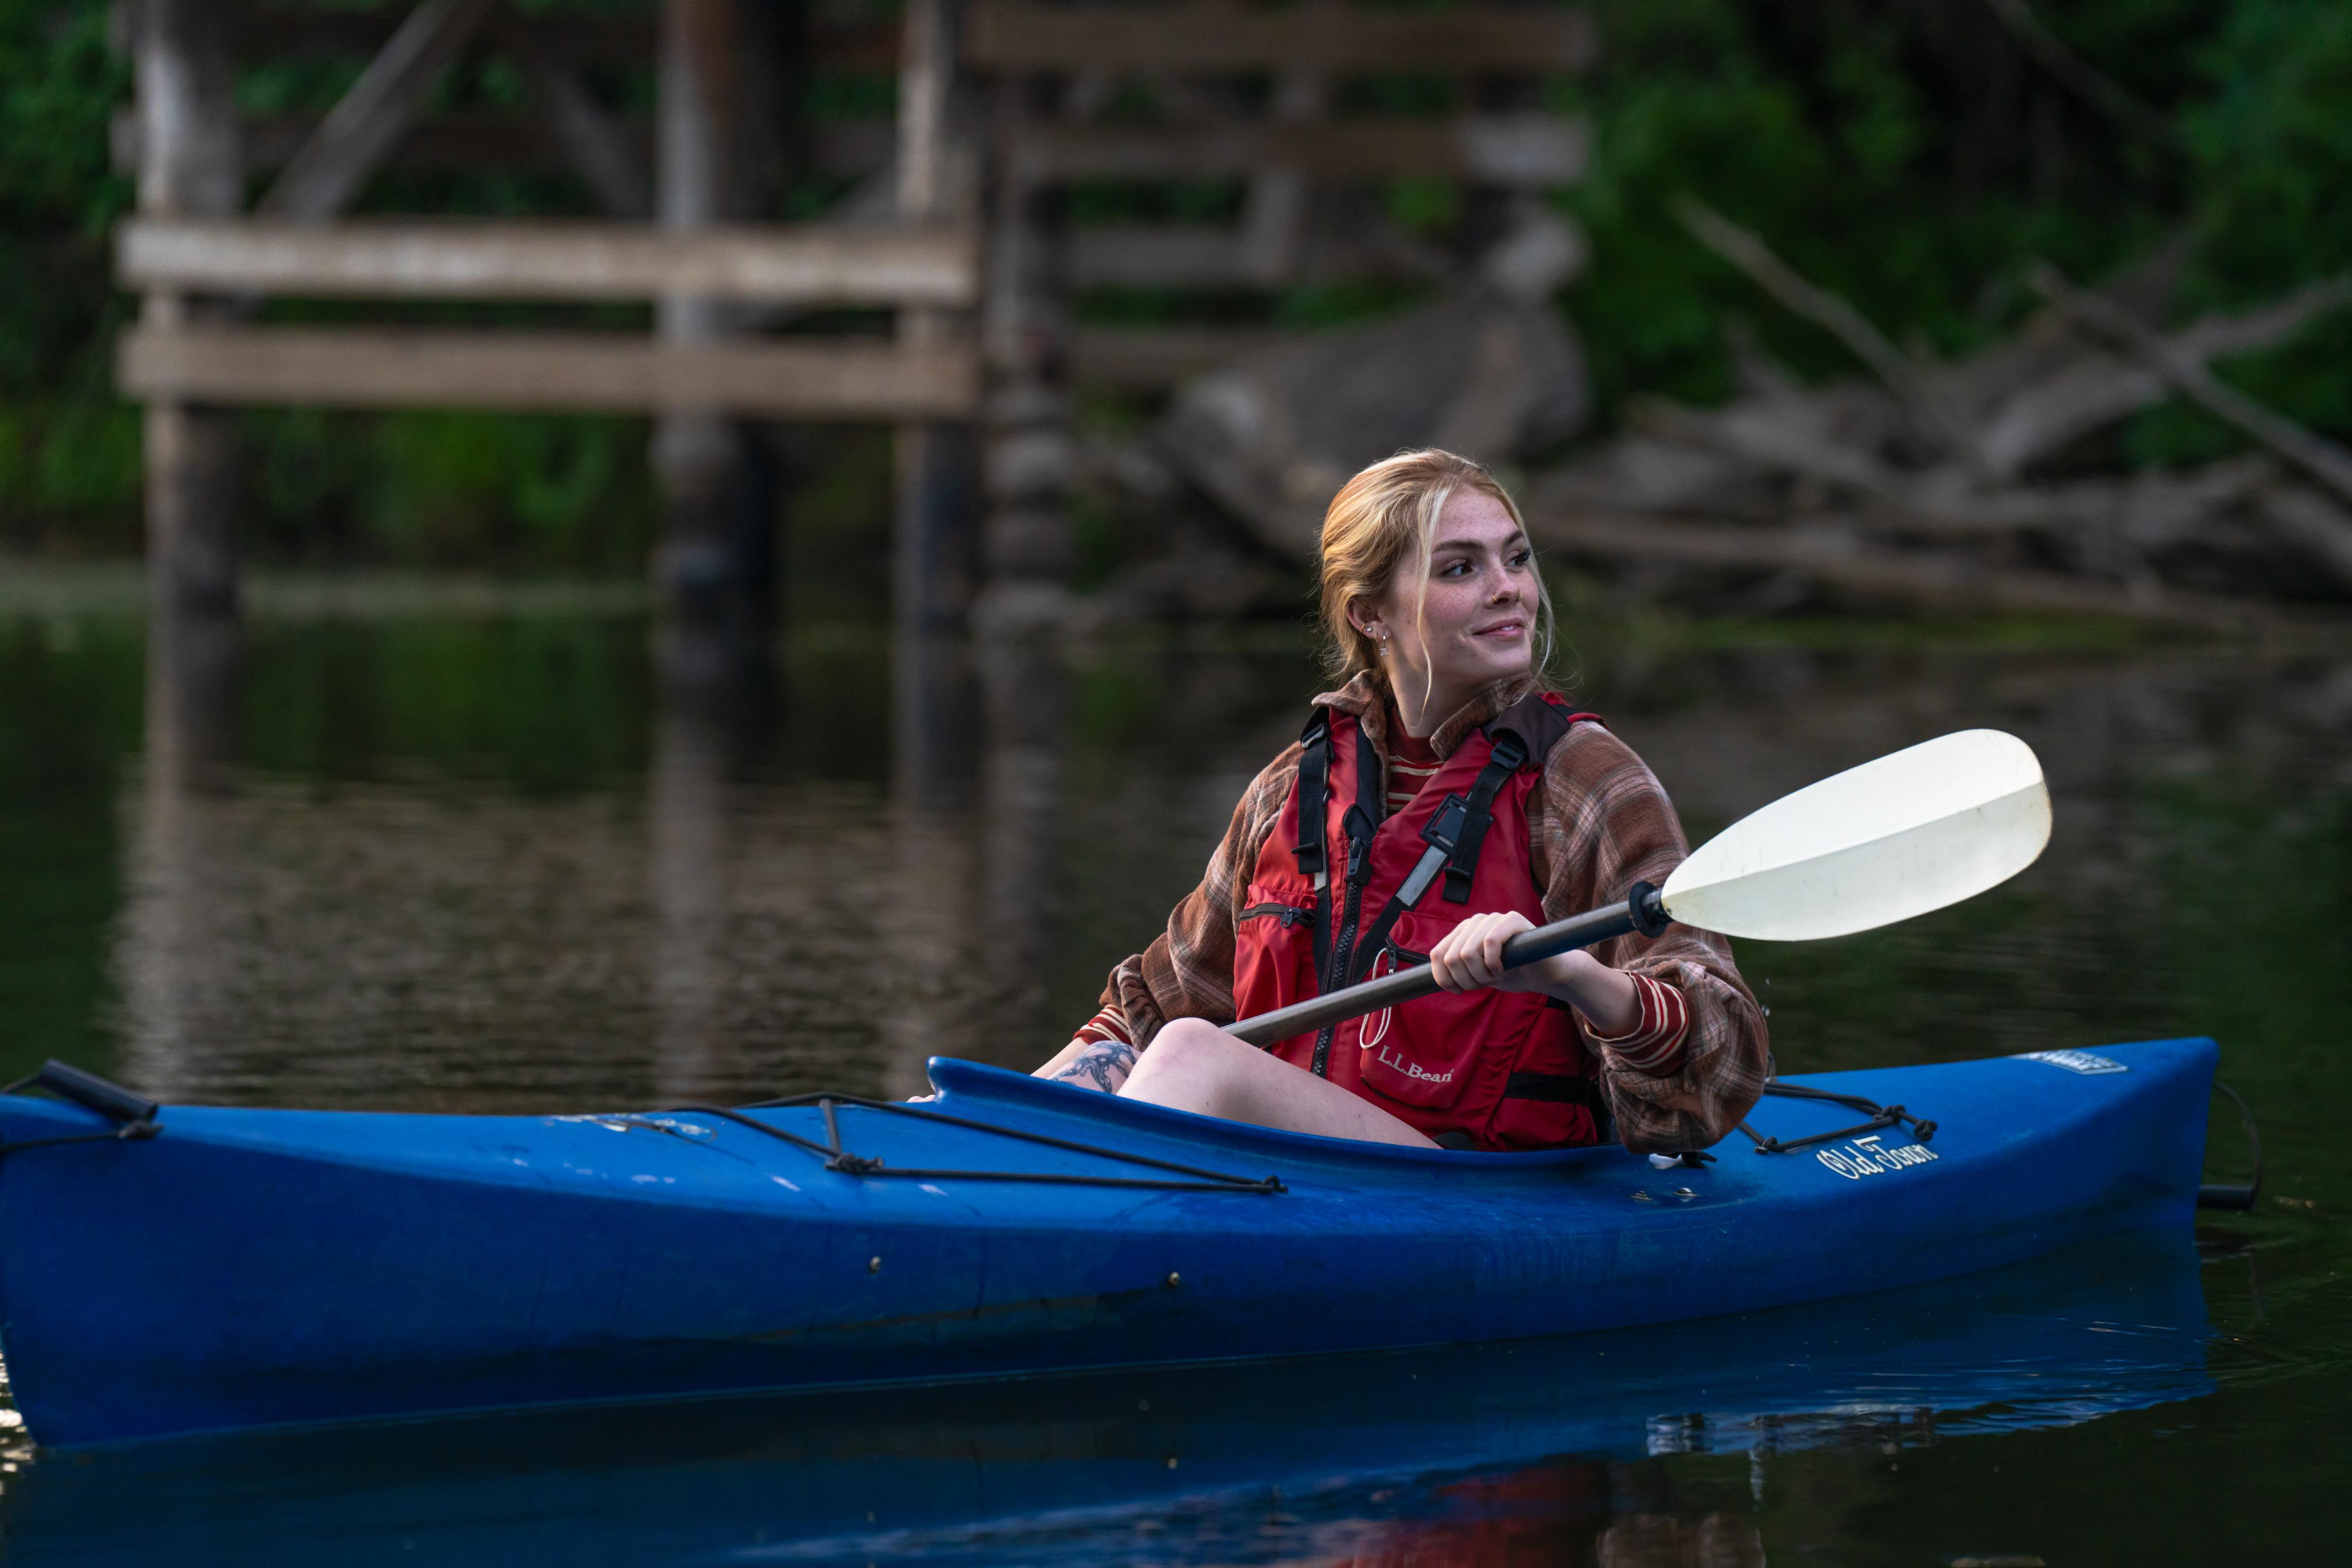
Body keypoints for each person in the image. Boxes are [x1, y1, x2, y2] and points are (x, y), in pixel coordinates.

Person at [1031, 449, 1769, 1153]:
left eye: (1516, 558)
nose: (1508, 586)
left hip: (1472, 1199)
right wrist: (972, 1124)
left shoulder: (1586, 780)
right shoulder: (1292, 788)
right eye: (1460, 568)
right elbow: (1152, 1009)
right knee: (1126, 1062)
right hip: (1278, 1184)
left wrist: (1571, 973)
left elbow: (1723, 1061)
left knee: (1194, 1055)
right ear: (1369, 614)